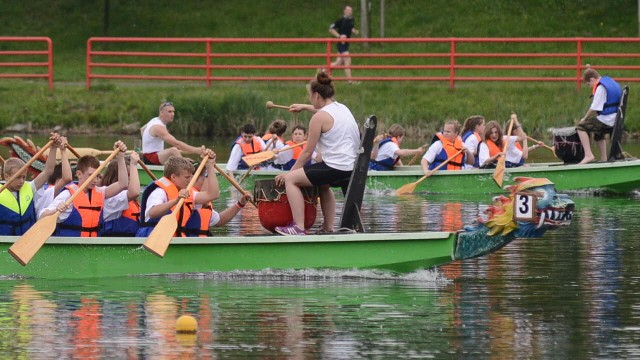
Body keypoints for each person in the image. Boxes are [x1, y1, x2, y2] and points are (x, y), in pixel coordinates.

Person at [274, 72, 360, 235]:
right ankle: (328, 228)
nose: (309, 100)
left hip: (335, 168)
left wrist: (289, 173)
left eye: (309, 97)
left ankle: (298, 227)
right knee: (323, 184)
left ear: (316, 95)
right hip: (352, 168)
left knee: (291, 180)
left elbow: (307, 152)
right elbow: (323, 111)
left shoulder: (318, 118)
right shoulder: (342, 108)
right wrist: (304, 107)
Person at [39, 141, 130, 237]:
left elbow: (123, 184)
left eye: (97, 175)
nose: (95, 180)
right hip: (70, 248)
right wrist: (55, 210)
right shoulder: (68, 195)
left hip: (91, 247)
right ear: (79, 174)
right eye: (91, 175)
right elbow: (42, 216)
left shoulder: (100, 192)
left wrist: (120, 157)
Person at [136, 150, 217, 238]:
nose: (190, 181)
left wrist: (210, 166)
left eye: (191, 177)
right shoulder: (159, 192)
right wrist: (176, 200)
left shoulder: (187, 193)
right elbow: (152, 212)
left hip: (174, 238)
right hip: (152, 237)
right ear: (173, 177)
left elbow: (213, 195)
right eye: (187, 177)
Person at [0, 133, 66, 236]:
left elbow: (48, 171)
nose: (21, 181)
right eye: (17, 177)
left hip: (27, 241)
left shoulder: (30, 187)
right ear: (7, 176)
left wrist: (53, 147)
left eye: (24, 177)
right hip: (4, 241)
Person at [182, 167, 253, 236]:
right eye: (204, 179)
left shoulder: (199, 200)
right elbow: (213, 194)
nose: (209, 185)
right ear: (193, 180)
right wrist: (210, 166)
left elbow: (219, 220)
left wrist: (240, 204)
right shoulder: (188, 194)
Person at [576, 67, 623, 164]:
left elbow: (594, 107)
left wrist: (584, 119)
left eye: (589, 84)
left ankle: (588, 155)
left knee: (580, 127)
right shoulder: (610, 82)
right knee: (597, 130)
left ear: (592, 79)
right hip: (616, 119)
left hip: (607, 120)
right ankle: (604, 159)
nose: (590, 87)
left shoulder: (600, 87)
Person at [140, 101, 206, 165]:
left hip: (154, 155)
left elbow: (142, 129)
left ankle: (185, 163)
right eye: (169, 112)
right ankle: (187, 170)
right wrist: (196, 150)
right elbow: (176, 144)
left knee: (180, 157)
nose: (172, 114)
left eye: (173, 111)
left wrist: (147, 144)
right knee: (173, 150)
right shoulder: (158, 127)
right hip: (150, 158)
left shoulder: (154, 120)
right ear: (161, 112)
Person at [98, 152, 141, 237]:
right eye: (128, 175)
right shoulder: (111, 199)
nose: (131, 178)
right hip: (114, 240)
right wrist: (133, 164)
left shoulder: (125, 196)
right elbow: (135, 192)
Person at [329, 5, 359, 84]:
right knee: (347, 59)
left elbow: (351, 27)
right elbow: (331, 29)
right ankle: (350, 81)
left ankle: (323, 70)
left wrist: (354, 31)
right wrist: (339, 36)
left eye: (351, 10)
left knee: (338, 63)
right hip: (341, 44)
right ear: (344, 11)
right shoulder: (340, 20)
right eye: (348, 10)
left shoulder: (352, 19)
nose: (350, 12)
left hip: (346, 44)